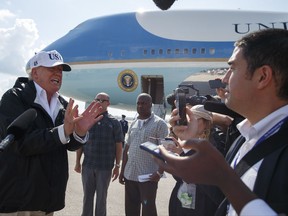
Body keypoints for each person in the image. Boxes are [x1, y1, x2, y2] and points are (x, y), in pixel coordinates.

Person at [156, 28, 288, 216]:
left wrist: (226, 179)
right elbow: (222, 201)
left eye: (232, 69)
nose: (224, 80)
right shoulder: (244, 138)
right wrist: (190, 142)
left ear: (262, 76)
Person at [0, 50, 103, 216]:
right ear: (35, 72)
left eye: (60, 70)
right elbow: (20, 143)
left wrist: (79, 133)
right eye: (52, 69)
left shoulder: (62, 104)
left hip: (47, 200)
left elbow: (68, 144)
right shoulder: (14, 98)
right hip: (19, 201)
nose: (58, 74)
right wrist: (63, 131)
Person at [168, 105, 223, 216]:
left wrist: (183, 153)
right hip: (182, 199)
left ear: (206, 123)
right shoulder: (184, 141)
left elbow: (208, 181)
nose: (190, 123)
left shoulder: (215, 143)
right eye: (188, 120)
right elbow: (179, 177)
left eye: (195, 120)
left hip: (201, 204)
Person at [119, 93, 168, 216]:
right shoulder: (134, 123)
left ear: (151, 105)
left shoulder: (159, 124)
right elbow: (126, 149)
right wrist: (122, 171)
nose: (140, 106)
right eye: (138, 103)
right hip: (130, 174)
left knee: (148, 210)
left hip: (148, 176)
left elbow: (165, 152)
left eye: (144, 103)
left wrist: (159, 173)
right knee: (130, 209)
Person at [74, 92, 123, 216]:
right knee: (87, 198)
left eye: (103, 100)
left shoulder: (114, 122)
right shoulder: (86, 121)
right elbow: (80, 142)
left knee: (101, 199)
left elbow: (119, 145)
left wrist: (117, 166)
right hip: (88, 165)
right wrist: (77, 162)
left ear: (108, 103)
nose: (100, 102)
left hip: (105, 167)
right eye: (98, 100)